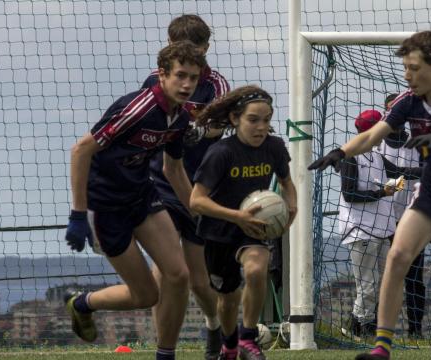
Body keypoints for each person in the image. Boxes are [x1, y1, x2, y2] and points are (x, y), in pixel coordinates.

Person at [309, 29, 431, 359]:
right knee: (397, 257)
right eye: (405, 68)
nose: (407, 76)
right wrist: (341, 151)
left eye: (414, 68)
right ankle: (381, 347)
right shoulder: (406, 101)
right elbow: (373, 135)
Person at [63, 41, 206, 360]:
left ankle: (165, 355)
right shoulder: (137, 109)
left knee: (179, 274)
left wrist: (199, 214)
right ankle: (83, 303)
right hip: (106, 209)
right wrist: (78, 213)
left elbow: (174, 171)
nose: (186, 84)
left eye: (193, 78)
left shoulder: (181, 118)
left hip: (142, 198)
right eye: (180, 76)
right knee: (145, 295)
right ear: (162, 75)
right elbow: (80, 151)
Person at [143, 14, 230, 360]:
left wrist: (196, 131)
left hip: (199, 188)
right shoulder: (155, 80)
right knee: (165, 270)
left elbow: (219, 125)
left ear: (206, 50)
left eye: (194, 51)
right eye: (177, 48)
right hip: (159, 183)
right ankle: (165, 349)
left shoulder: (216, 85)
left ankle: (213, 323)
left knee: (198, 280)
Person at [189, 85, 297, 360]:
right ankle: (230, 343)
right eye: (253, 120)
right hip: (219, 230)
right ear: (235, 119)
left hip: (254, 228)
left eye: (266, 120)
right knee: (227, 298)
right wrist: (237, 216)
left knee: (256, 269)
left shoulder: (274, 147)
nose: (261, 127)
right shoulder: (220, 153)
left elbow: (287, 182)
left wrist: (292, 206)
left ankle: (249, 338)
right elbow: (196, 201)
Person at [338, 109, 420, 339]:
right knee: (368, 285)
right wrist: (381, 192)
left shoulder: (376, 156)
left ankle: (355, 325)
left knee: (384, 282)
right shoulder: (350, 157)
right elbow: (349, 194)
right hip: (360, 231)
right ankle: (365, 326)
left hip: (381, 229)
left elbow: (401, 172)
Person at [379, 93, 427, 339]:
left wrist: (400, 174)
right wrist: (401, 177)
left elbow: (428, 169)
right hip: (383, 219)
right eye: (390, 109)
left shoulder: (416, 142)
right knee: (382, 276)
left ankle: (415, 330)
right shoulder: (377, 143)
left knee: (414, 278)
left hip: (411, 219)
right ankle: (375, 329)